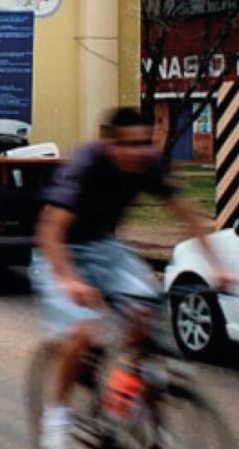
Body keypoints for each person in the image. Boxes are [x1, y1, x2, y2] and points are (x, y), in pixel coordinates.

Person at [32, 107, 233, 449]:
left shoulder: (149, 164)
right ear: (109, 143)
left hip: (105, 248)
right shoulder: (88, 164)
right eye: (127, 145)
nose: (136, 152)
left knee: (148, 310)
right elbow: (50, 230)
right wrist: (69, 280)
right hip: (60, 251)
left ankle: (143, 412)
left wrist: (216, 265)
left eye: (143, 143)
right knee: (81, 332)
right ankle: (57, 417)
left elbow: (188, 213)